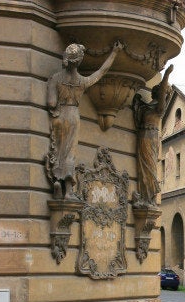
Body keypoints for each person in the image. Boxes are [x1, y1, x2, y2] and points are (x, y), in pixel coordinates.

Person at [46, 41, 123, 200]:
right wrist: (114, 53)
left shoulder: (55, 78)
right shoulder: (81, 81)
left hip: (59, 115)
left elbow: (51, 103)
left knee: (58, 150)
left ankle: (56, 180)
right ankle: (68, 190)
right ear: (79, 61)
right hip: (73, 115)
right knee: (70, 153)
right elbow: (102, 71)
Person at [132, 65, 174, 208]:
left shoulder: (159, 109)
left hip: (151, 137)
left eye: (163, 90)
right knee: (143, 166)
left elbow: (163, 94)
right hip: (143, 135)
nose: (160, 91)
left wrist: (166, 75)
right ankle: (144, 196)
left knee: (149, 167)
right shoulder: (147, 106)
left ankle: (148, 198)